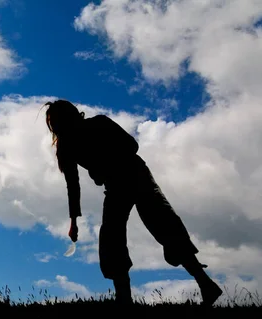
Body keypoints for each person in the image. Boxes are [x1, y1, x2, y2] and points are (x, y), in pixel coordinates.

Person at [43, 99, 223, 307]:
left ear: (70, 117)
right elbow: (72, 185)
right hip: (114, 186)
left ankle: (205, 284)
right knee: (111, 237)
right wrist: (74, 221)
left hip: (135, 174)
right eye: (52, 123)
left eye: (56, 121)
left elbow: (131, 145)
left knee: (163, 223)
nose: (55, 126)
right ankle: (124, 299)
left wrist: (106, 163)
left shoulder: (99, 123)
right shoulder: (67, 147)